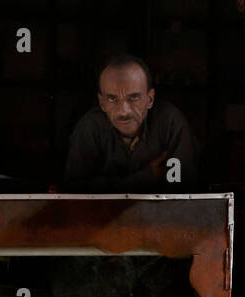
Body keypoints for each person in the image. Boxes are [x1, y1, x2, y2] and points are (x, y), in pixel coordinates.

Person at [62, 54, 199, 193]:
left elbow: (182, 189)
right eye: (112, 99)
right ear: (101, 103)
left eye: (134, 97)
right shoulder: (89, 128)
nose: (124, 112)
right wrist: (146, 177)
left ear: (150, 99)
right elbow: (74, 191)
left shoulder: (170, 123)